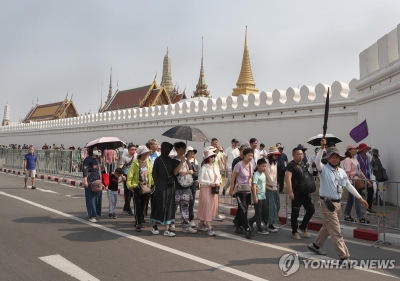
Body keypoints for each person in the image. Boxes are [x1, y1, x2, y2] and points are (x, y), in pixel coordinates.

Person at [308, 139, 369, 267]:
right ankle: (344, 257)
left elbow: (348, 185)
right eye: (332, 157)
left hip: (338, 204)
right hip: (327, 203)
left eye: (337, 157)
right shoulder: (323, 169)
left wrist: (360, 198)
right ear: (328, 158)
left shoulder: (341, 172)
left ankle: (315, 245)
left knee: (327, 226)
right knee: (336, 231)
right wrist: (321, 148)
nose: (335, 159)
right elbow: (317, 162)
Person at [285, 147, 315, 240]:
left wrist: (309, 190)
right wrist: (290, 192)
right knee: (295, 213)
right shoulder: (290, 165)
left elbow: (307, 178)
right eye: (298, 154)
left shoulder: (303, 164)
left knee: (311, 209)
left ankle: (303, 226)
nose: (301, 156)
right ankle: (295, 231)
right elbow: (288, 179)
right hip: (296, 193)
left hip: (305, 193)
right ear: (293, 155)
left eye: (302, 154)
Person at [151, 142, 176, 237]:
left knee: (169, 207)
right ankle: (154, 226)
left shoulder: (170, 160)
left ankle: (166, 229)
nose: (168, 151)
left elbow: (173, 172)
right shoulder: (158, 160)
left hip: (169, 186)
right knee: (159, 206)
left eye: (170, 149)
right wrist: (158, 184)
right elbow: (154, 174)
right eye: (168, 149)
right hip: (161, 187)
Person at [171, 142, 197, 233]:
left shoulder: (186, 160)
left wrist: (186, 172)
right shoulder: (173, 160)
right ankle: (171, 223)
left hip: (186, 187)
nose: (184, 150)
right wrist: (181, 163)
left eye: (184, 148)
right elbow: (174, 172)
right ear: (177, 149)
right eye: (182, 148)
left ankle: (186, 225)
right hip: (176, 187)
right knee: (174, 207)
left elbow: (192, 171)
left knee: (185, 207)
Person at [229, 148, 255, 239]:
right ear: (244, 155)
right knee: (243, 210)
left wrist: (253, 187)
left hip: (247, 190)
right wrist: (231, 188)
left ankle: (238, 226)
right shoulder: (239, 165)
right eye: (248, 155)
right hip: (239, 191)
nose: (250, 157)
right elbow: (233, 177)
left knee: (243, 209)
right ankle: (247, 229)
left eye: (251, 155)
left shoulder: (251, 165)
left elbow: (251, 178)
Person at [126, 145, 153, 232]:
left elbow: (150, 174)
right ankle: (137, 223)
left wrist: (153, 184)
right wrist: (130, 185)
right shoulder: (135, 163)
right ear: (141, 154)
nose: (147, 155)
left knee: (144, 205)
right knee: (137, 205)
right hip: (137, 187)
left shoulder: (148, 162)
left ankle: (140, 220)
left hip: (146, 187)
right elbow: (130, 175)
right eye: (145, 153)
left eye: (147, 153)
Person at [343, 144, 370, 224]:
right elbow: (347, 173)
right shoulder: (347, 160)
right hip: (352, 183)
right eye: (354, 149)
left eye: (356, 149)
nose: (355, 150)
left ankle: (347, 215)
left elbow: (359, 171)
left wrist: (367, 180)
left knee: (351, 200)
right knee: (358, 200)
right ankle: (360, 217)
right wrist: (348, 184)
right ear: (349, 150)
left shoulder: (355, 159)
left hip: (357, 181)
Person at [197, 149, 221, 236]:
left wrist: (217, 183)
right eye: (211, 157)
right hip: (206, 189)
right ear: (207, 158)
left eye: (214, 156)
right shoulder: (204, 168)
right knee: (207, 206)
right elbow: (200, 180)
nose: (213, 158)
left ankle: (201, 223)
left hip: (213, 190)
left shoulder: (216, 167)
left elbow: (218, 176)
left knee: (210, 206)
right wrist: (209, 183)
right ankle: (209, 227)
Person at [83, 145, 103, 223]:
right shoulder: (87, 160)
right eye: (95, 149)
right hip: (90, 181)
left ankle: (95, 213)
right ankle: (91, 216)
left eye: (98, 149)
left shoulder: (98, 159)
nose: (97, 150)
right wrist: (85, 181)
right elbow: (85, 170)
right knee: (90, 199)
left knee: (97, 198)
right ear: (91, 150)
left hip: (98, 181)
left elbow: (100, 170)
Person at [250, 158, 269, 235]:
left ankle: (250, 221)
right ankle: (259, 228)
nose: (264, 168)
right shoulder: (256, 174)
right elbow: (254, 186)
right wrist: (255, 197)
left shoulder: (263, 174)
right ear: (258, 166)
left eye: (265, 166)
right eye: (263, 166)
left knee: (263, 212)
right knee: (258, 213)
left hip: (263, 196)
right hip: (258, 196)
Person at [264, 146, 281, 233]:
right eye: (275, 154)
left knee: (277, 205)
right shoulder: (266, 162)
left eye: (277, 154)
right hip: (268, 187)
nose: (276, 156)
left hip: (274, 187)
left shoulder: (275, 162)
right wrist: (271, 187)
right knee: (271, 207)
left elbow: (275, 175)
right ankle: (269, 225)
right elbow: (268, 175)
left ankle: (265, 221)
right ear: (271, 155)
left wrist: (276, 186)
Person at [356, 143, 376, 215]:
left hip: (367, 177)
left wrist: (371, 162)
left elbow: (369, 166)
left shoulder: (368, 157)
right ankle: (359, 210)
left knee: (371, 191)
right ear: (362, 149)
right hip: (360, 178)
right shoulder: (357, 157)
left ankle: (368, 208)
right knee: (359, 194)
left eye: (367, 148)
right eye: (365, 148)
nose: (366, 150)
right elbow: (356, 167)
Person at [119, 144, 136, 216]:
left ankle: (126, 206)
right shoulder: (124, 157)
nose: (134, 151)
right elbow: (120, 167)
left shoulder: (136, 157)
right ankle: (129, 209)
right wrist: (122, 176)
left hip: (134, 177)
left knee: (133, 192)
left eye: (135, 149)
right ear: (128, 150)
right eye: (132, 149)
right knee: (128, 193)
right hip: (126, 176)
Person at [186, 146, 199, 227]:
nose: (192, 153)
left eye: (193, 151)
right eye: (190, 151)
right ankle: (186, 218)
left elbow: (197, 172)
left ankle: (191, 219)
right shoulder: (184, 161)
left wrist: (198, 181)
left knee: (192, 201)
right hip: (186, 183)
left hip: (193, 183)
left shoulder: (195, 160)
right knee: (186, 201)